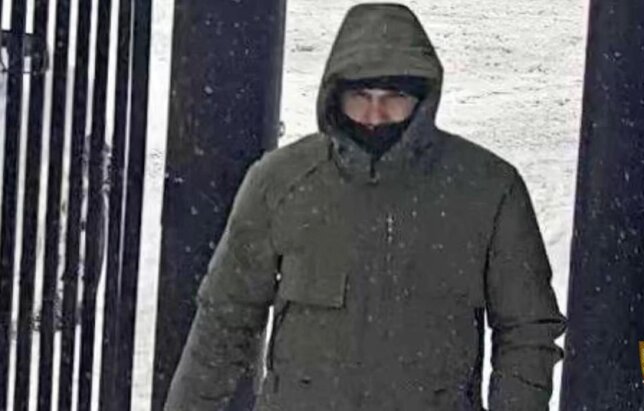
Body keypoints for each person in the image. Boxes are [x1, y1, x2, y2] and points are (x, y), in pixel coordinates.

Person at [164, 3, 566, 410]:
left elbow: (527, 331)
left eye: (394, 97)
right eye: (360, 96)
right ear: (336, 96)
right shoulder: (282, 183)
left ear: (422, 98)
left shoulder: (487, 190)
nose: (375, 114)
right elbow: (224, 321)